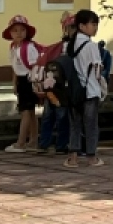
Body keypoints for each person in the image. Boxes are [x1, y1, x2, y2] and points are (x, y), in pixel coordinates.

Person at [65, 10, 104, 168]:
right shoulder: (91, 46)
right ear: (82, 26)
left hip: (74, 91)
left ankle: (73, 158)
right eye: (93, 24)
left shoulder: (70, 45)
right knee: (91, 125)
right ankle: (91, 157)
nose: (95, 28)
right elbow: (98, 69)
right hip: (90, 90)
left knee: (75, 124)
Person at [37, 11, 74, 154]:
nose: (72, 30)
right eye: (69, 27)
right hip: (52, 87)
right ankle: (44, 144)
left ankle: (61, 145)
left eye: (75, 27)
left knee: (62, 117)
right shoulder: (56, 48)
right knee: (48, 116)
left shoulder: (80, 47)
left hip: (65, 89)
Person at [3, 15, 39, 153]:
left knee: (26, 111)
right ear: (10, 33)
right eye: (15, 30)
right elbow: (14, 67)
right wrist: (14, 83)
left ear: (27, 32)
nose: (18, 33)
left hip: (30, 80)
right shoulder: (13, 47)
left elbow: (35, 64)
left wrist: (36, 82)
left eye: (22, 30)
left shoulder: (29, 47)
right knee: (29, 111)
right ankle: (33, 141)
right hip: (22, 81)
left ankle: (21, 142)